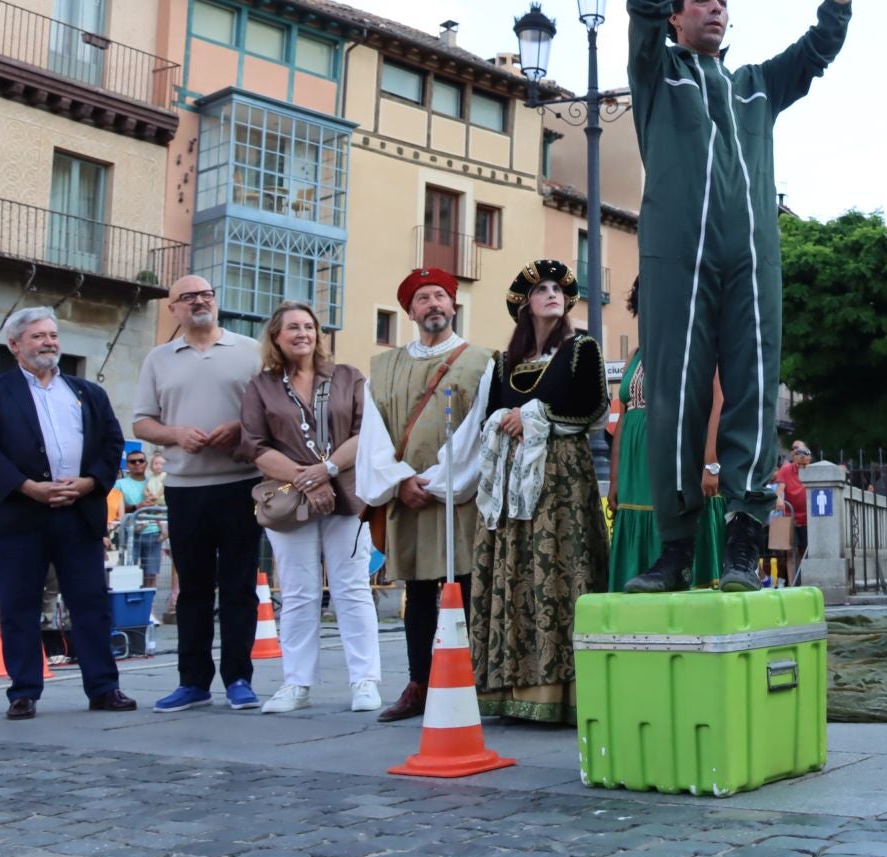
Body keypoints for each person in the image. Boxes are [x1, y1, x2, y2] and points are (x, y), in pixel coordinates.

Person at [624, 0, 860, 594]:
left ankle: (741, 545)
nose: (716, 8)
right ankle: (675, 548)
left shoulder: (757, 85)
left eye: (724, 0)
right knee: (675, 401)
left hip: (752, 264)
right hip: (675, 262)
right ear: (676, 16)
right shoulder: (660, 78)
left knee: (753, 400)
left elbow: (826, 42)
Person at [0, 308, 135, 718]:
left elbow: (112, 444)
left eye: (53, 335)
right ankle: (23, 690)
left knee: (90, 603)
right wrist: (28, 487)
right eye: (38, 336)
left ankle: (103, 687)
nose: (48, 342)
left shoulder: (86, 392)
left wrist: (91, 482)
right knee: (19, 605)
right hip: (19, 516)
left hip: (78, 514)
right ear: (15, 345)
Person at [461, 261, 610, 723]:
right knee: (515, 572)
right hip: (510, 481)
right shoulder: (503, 362)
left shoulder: (581, 349)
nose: (551, 294)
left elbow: (592, 407)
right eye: (541, 289)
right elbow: (490, 411)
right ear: (525, 304)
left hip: (560, 477)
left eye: (557, 289)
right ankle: (510, 688)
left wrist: (531, 415)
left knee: (558, 570)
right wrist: (507, 421)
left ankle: (564, 692)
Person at [354, 268, 494, 722]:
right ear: (410, 311)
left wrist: (440, 482)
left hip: (460, 495)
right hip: (407, 495)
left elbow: (478, 431)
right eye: (422, 299)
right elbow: (372, 431)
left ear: (453, 306)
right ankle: (419, 682)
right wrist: (399, 481)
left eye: (439, 296)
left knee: (468, 584)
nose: (433, 304)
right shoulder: (383, 367)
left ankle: (473, 681)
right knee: (418, 589)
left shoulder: (482, 360)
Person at [237, 301, 381, 714]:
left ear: (318, 333)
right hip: (288, 498)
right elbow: (254, 445)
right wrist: (305, 478)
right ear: (276, 338)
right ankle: (296, 683)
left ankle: (365, 680)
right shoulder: (261, 386)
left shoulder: (347, 377)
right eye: (292, 328)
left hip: (348, 494)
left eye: (308, 326)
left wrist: (327, 469)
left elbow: (365, 430)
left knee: (351, 589)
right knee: (299, 593)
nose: (302, 333)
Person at [132, 275, 263, 712]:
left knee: (240, 587)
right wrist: (174, 434)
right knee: (192, 589)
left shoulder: (250, 351)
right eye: (187, 298)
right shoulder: (159, 359)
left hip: (240, 483)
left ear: (216, 300)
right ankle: (192, 681)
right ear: (173, 309)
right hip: (185, 487)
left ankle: (239, 678)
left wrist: (239, 430)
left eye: (206, 294)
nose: (199, 302)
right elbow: (142, 423)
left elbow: (270, 415)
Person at [606, 277, 724, 591]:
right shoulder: (636, 354)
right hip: (634, 469)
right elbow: (624, 415)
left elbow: (718, 403)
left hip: (680, 458)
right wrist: (616, 477)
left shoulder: (698, 345)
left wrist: (711, 463)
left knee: (674, 524)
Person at [114, 450, 165, 590]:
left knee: (151, 574)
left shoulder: (155, 480)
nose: (137, 463)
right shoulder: (120, 484)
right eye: (133, 461)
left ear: (146, 463)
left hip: (154, 533)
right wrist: (138, 506)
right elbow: (116, 509)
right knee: (128, 573)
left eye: (141, 460)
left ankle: (149, 608)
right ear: (127, 465)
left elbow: (164, 502)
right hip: (130, 533)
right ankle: (131, 607)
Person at [772, 441, 812, 583]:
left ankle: (805, 581)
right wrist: (778, 499)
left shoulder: (812, 470)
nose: (801, 459)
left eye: (804, 455)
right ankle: (794, 583)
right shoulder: (786, 470)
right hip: (791, 516)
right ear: (793, 456)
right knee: (791, 552)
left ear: (809, 458)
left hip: (808, 518)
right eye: (796, 452)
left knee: (805, 552)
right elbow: (780, 488)